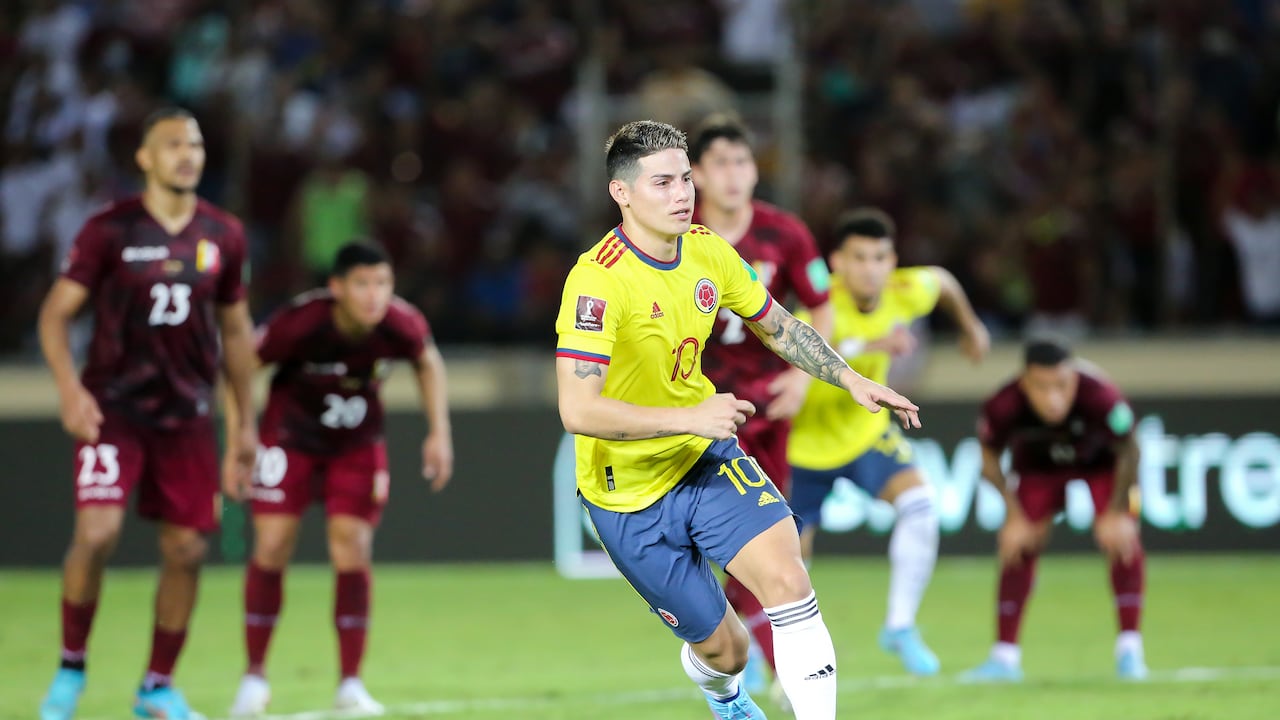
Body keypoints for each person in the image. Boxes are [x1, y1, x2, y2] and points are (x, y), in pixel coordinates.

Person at [554, 119, 921, 720]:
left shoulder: (708, 250)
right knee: (728, 650)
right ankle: (725, 698)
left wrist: (849, 378)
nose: (682, 194)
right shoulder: (596, 282)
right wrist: (688, 415)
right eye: (662, 183)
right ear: (622, 193)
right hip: (626, 495)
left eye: (685, 180)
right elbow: (579, 409)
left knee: (789, 581)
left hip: (704, 459)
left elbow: (779, 326)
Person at [37, 107, 257, 720]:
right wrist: (69, 391)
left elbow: (236, 336)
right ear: (144, 158)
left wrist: (244, 426)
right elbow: (56, 315)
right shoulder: (109, 230)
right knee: (98, 532)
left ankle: (156, 686)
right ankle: (70, 669)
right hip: (114, 409)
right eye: (172, 144)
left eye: (195, 143)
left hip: (187, 415)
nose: (187, 154)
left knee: (187, 550)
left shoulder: (224, 235)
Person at [224, 242, 454, 716]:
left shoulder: (400, 322)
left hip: (356, 445)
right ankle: (254, 677)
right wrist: (240, 435)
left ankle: (350, 683)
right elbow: (242, 365)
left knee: (352, 546)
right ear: (337, 288)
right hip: (288, 439)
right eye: (363, 285)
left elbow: (428, 361)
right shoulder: (301, 323)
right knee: (272, 545)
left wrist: (439, 433)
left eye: (383, 284)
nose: (375, 296)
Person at [787, 208, 990, 677]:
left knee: (919, 502)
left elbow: (942, 280)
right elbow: (804, 352)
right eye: (858, 258)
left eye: (879, 257)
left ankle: (899, 626)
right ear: (836, 262)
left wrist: (970, 325)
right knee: (786, 565)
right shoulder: (819, 306)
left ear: (892, 259)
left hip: (864, 435)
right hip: (803, 449)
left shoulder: (903, 291)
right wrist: (874, 347)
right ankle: (758, 650)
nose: (870, 269)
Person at [689, 113, 834, 692]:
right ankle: (740, 657)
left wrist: (803, 379)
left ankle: (753, 661)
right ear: (695, 174)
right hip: (700, 411)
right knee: (722, 547)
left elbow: (820, 303)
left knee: (771, 539)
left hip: (767, 409)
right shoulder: (678, 236)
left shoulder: (786, 233)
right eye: (719, 164)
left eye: (741, 162)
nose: (732, 176)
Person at [962, 339, 1147, 682]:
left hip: (1101, 464)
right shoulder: (1003, 404)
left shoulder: (1101, 396)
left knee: (1122, 538)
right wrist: (1013, 514)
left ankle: (1130, 650)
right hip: (1038, 467)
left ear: (1074, 377)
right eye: (1042, 388)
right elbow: (988, 458)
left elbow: (1130, 449)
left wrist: (1117, 511)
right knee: (1018, 545)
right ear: (1024, 382)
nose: (1053, 399)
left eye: (1062, 386)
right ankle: (1004, 659)